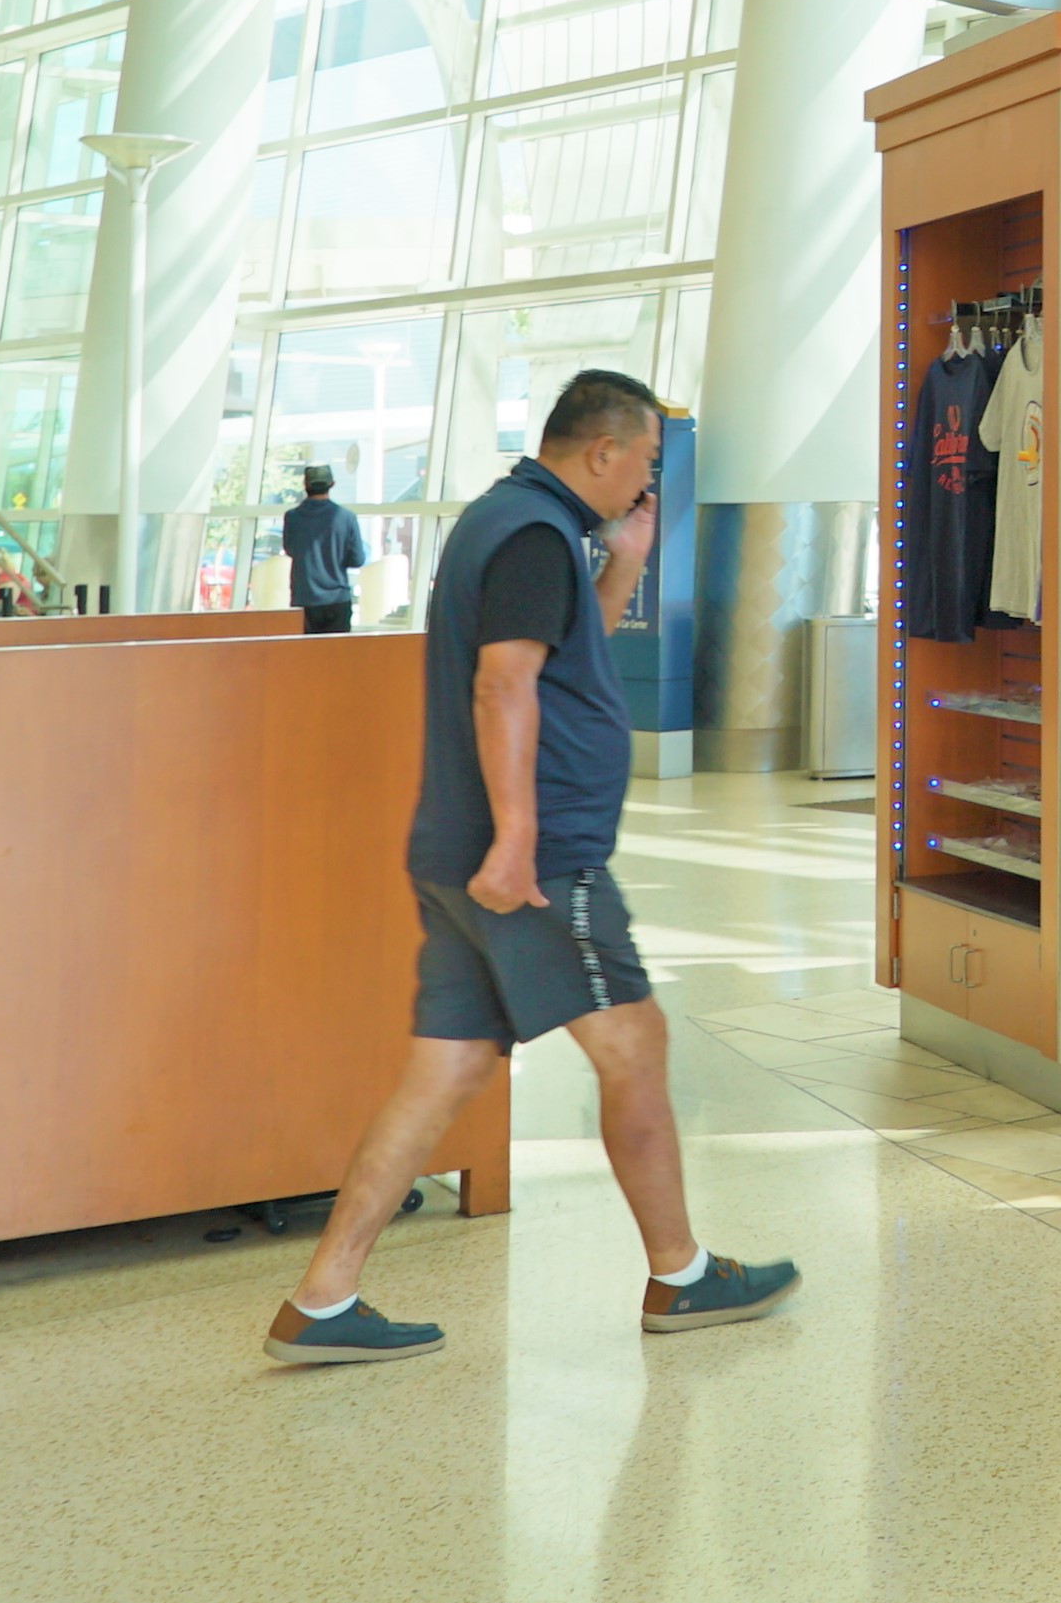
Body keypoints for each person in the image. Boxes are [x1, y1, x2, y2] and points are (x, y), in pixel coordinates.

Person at [266, 370, 795, 1364]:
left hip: (461, 851)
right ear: (601, 451)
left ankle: (323, 1297)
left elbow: (551, 653)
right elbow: (504, 684)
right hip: (535, 862)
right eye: (643, 463)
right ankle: (680, 1273)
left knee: (446, 1070)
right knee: (632, 1044)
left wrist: (626, 563)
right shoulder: (533, 536)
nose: (646, 482)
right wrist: (516, 841)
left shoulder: (519, 527)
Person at [281, 466, 366, 634]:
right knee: (336, 657)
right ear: (332, 484)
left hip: (303, 599)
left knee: (305, 656)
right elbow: (357, 559)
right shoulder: (346, 517)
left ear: (305, 485)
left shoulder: (292, 517)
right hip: (337, 601)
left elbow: (290, 549)